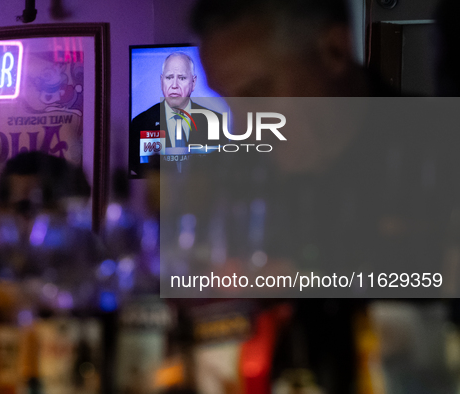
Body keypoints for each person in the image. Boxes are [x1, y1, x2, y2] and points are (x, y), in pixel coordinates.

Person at [183, 0, 459, 392]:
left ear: (334, 51)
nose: (242, 125)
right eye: (227, 100)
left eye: (257, 92)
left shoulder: (441, 154)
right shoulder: (242, 180)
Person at [129, 52, 222, 177]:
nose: (174, 85)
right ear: (161, 82)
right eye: (169, 78)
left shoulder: (214, 122)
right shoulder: (140, 123)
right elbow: (138, 171)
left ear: (193, 83)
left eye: (182, 78)